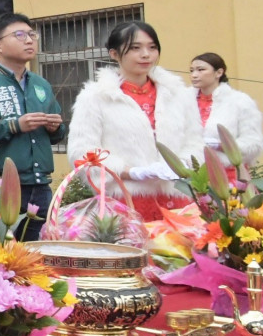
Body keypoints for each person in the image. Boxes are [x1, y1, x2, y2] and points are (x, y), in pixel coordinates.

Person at [68, 21, 203, 221]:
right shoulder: (95, 97)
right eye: (135, 48)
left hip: (178, 199)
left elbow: (195, 141)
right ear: (114, 53)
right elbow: (82, 153)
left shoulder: (179, 94)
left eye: (152, 47)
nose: (146, 54)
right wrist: (131, 172)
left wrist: (180, 166)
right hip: (125, 201)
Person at [0, 13, 66, 240]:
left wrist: (55, 127)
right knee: (1, 254)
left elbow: (58, 135)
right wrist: (14, 125)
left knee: (37, 254)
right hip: (0, 185)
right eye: (20, 35)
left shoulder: (41, 84)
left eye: (32, 34)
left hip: (40, 183)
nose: (30, 40)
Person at [189, 51, 263, 170]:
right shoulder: (183, 101)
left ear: (219, 72)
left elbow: (254, 143)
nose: (194, 75)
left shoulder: (239, 102)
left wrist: (222, 145)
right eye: (192, 70)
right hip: (191, 174)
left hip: (227, 173)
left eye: (201, 69)